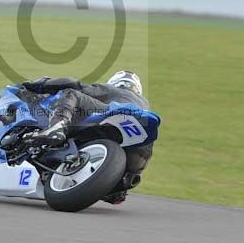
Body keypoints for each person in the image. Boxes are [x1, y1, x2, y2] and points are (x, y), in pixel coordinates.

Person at [20, 71, 153, 204]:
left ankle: (56, 128)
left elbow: (72, 83)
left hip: (112, 119)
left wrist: (38, 85)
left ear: (116, 82)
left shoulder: (115, 90)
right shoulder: (144, 105)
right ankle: (119, 189)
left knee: (71, 93)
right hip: (139, 150)